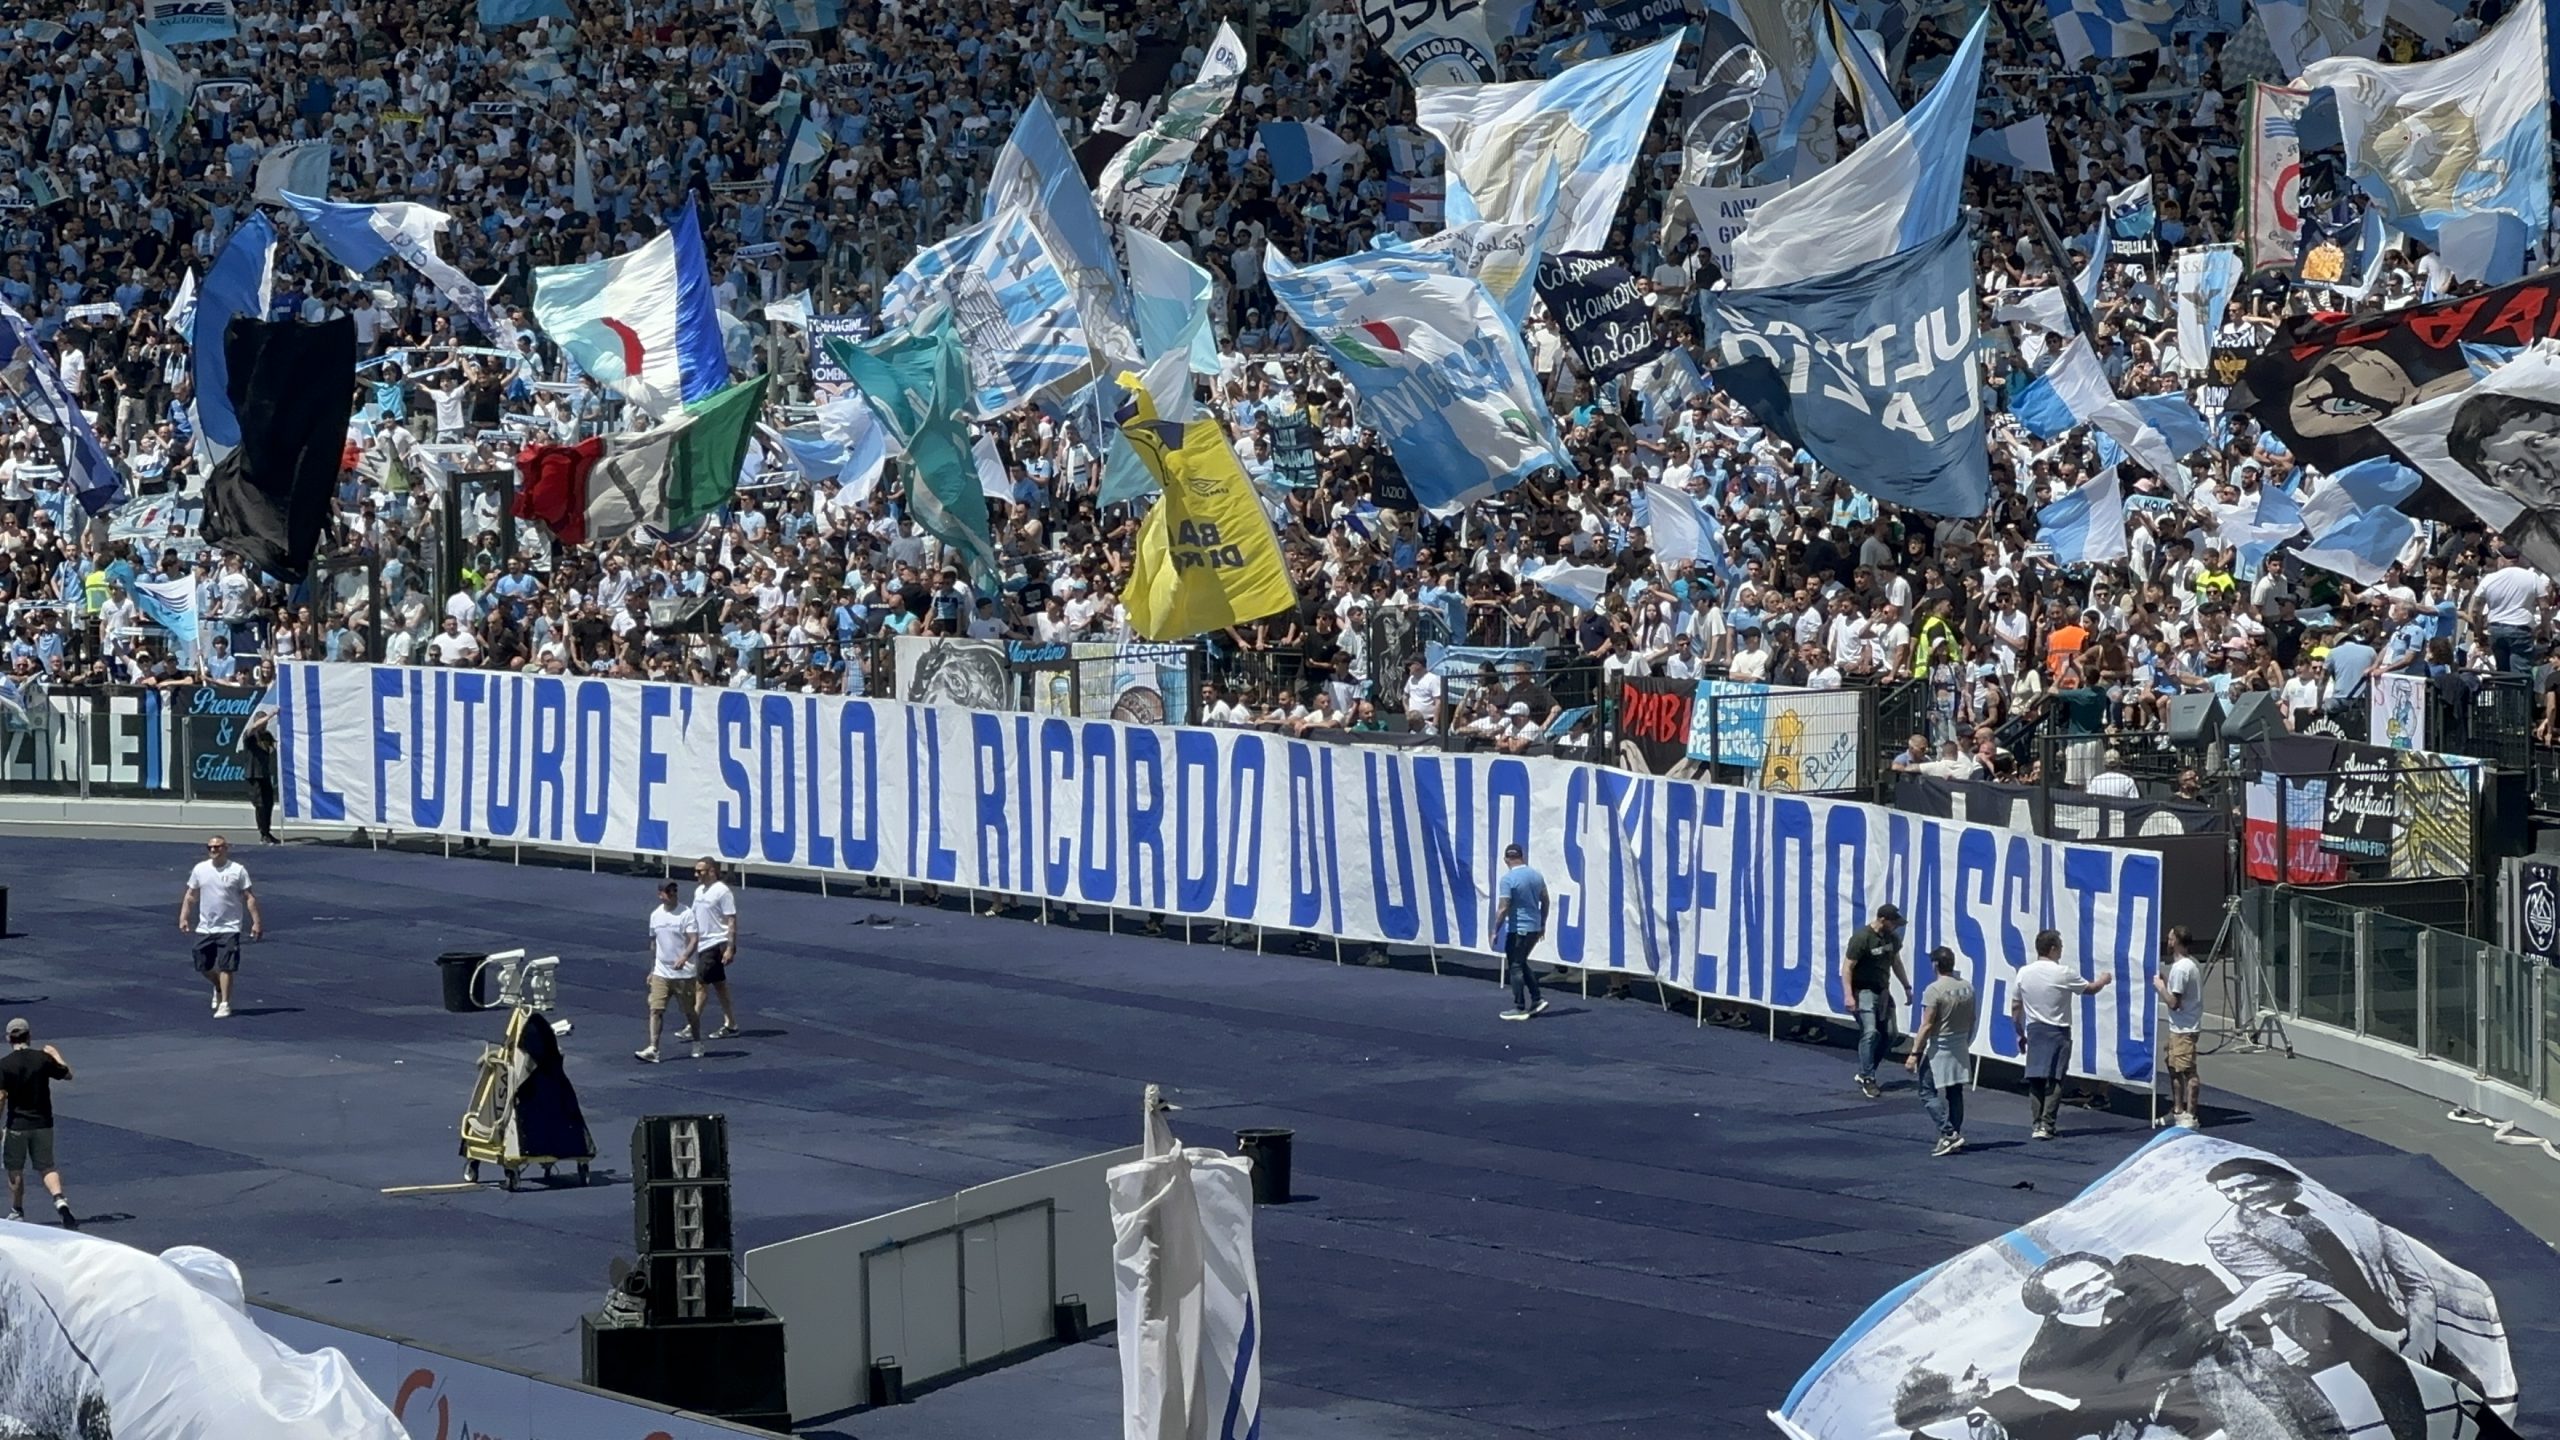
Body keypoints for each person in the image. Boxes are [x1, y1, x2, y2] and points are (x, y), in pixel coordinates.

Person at [2010, 928, 2114, 1140]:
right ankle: (2047, 1124)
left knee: (2036, 1080)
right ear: (2053, 948)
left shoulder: (2024, 973)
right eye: (2060, 947)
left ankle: (2037, 1123)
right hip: (2058, 1031)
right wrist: (2103, 980)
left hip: (2035, 1029)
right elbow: (2091, 989)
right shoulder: (2063, 972)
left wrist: (2019, 1033)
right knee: (2055, 1080)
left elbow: (2015, 1006)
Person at [0, 1018, 75, 1228]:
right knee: (46, 1166)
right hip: (43, 1122)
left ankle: (17, 1210)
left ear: (8, 1039)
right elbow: (67, 1074)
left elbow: (1, 1097)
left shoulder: (4, 1065)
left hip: (17, 1125)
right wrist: (55, 1055)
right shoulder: (42, 1059)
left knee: (15, 1168)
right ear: (29, 1036)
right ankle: (60, 1200)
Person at [179, 835, 263, 1020]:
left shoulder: (237, 870)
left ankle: (225, 1002)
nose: (213, 851)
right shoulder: (200, 869)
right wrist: (184, 916)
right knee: (203, 964)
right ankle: (217, 985)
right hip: (206, 926)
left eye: (217, 847)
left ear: (226, 848)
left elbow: (248, 897)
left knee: (227, 965)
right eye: (210, 847)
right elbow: (191, 894)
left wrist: (256, 921)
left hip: (230, 926)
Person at [1904, 946, 1975, 1155]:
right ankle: (1954, 1133)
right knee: (1955, 1092)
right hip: (1960, 1044)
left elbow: (1927, 1024)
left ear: (1935, 964)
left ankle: (1949, 1133)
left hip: (1940, 1047)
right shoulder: (1968, 988)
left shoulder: (1934, 990)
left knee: (1927, 1091)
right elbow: (1973, 1018)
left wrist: (1914, 1054)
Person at [1841, 902, 1910, 1099]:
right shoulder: (1862, 938)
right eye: (1893, 923)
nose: (1896, 926)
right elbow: (1847, 967)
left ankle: (1866, 1070)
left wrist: (1906, 986)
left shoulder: (1892, 938)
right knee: (1870, 1032)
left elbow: (1896, 962)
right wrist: (1848, 995)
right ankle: (1868, 1078)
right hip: (1863, 991)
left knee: (1890, 1034)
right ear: (1882, 920)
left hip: (1883, 991)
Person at [638, 881, 700, 1064]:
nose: (672, 894)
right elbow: (654, 944)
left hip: (684, 974)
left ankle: (697, 1041)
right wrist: (652, 969)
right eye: (668, 891)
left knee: (689, 1011)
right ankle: (653, 1048)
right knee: (656, 1009)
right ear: (660, 894)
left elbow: (694, 939)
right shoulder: (655, 915)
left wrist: (684, 957)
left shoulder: (686, 913)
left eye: (674, 891)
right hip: (661, 972)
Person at [2155, 924, 2206, 1128]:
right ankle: (2178, 1110)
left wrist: (2160, 988)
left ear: (2175, 941)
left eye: (2170, 938)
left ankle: (2190, 1116)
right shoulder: (2187, 965)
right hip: (2179, 1028)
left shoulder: (2182, 968)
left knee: (2187, 1070)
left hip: (2185, 1028)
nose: (2167, 942)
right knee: (2173, 1067)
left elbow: (2174, 1003)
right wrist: (2166, 982)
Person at [685, 857, 741, 1042]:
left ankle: (692, 1023)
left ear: (711, 871)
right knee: (719, 985)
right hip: (702, 943)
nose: (696, 875)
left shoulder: (722, 892)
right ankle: (731, 1023)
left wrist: (730, 947)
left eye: (700, 871)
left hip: (716, 944)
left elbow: (731, 920)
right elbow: (693, 916)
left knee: (701, 984)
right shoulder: (699, 891)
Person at [1492, 843, 1549, 1022]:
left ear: (1506, 859)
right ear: (1522, 857)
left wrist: (1495, 931)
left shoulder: (1508, 880)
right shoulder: (1536, 875)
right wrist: (1542, 923)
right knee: (1521, 962)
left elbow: (1503, 908)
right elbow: (1546, 901)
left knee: (1515, 966)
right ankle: (1537, 998)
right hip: (1533, 927)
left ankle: (1520, 1007)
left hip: (1519, 929)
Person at [241, 711, 281, 844]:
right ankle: (263, 833)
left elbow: (273, 747)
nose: (264, 726)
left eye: (266, 723)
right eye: (262, 723)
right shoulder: (250, 736)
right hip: (253, 774)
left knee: (268, 803)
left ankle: (267, 831)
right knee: (260, 805)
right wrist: (270, 715)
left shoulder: (267, 736)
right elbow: (253, 729)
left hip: (264, 773)